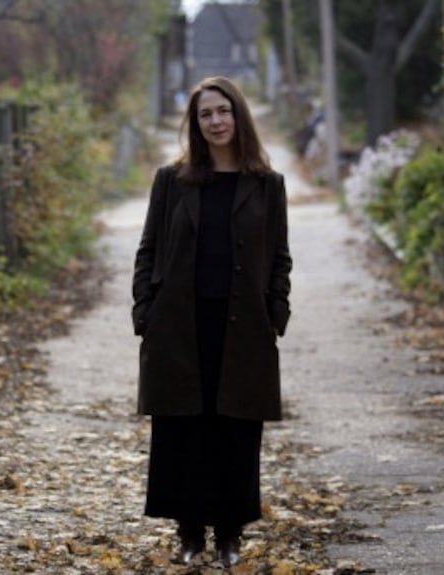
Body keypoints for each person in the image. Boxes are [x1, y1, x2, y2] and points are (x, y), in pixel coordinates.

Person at [131, 76, 292, 567]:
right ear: (195, 124)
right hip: (180, 322)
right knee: (184, 428)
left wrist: (276, 316)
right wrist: (145, 314)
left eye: (223, 111)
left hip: (243, 323)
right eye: (206, 114)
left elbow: (280, 257)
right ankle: (189, 533)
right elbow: (149, 249)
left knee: (235, 428)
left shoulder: (268, 184)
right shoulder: (171, 181)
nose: (216, 121)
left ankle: (229, 534)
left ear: (238, 116)